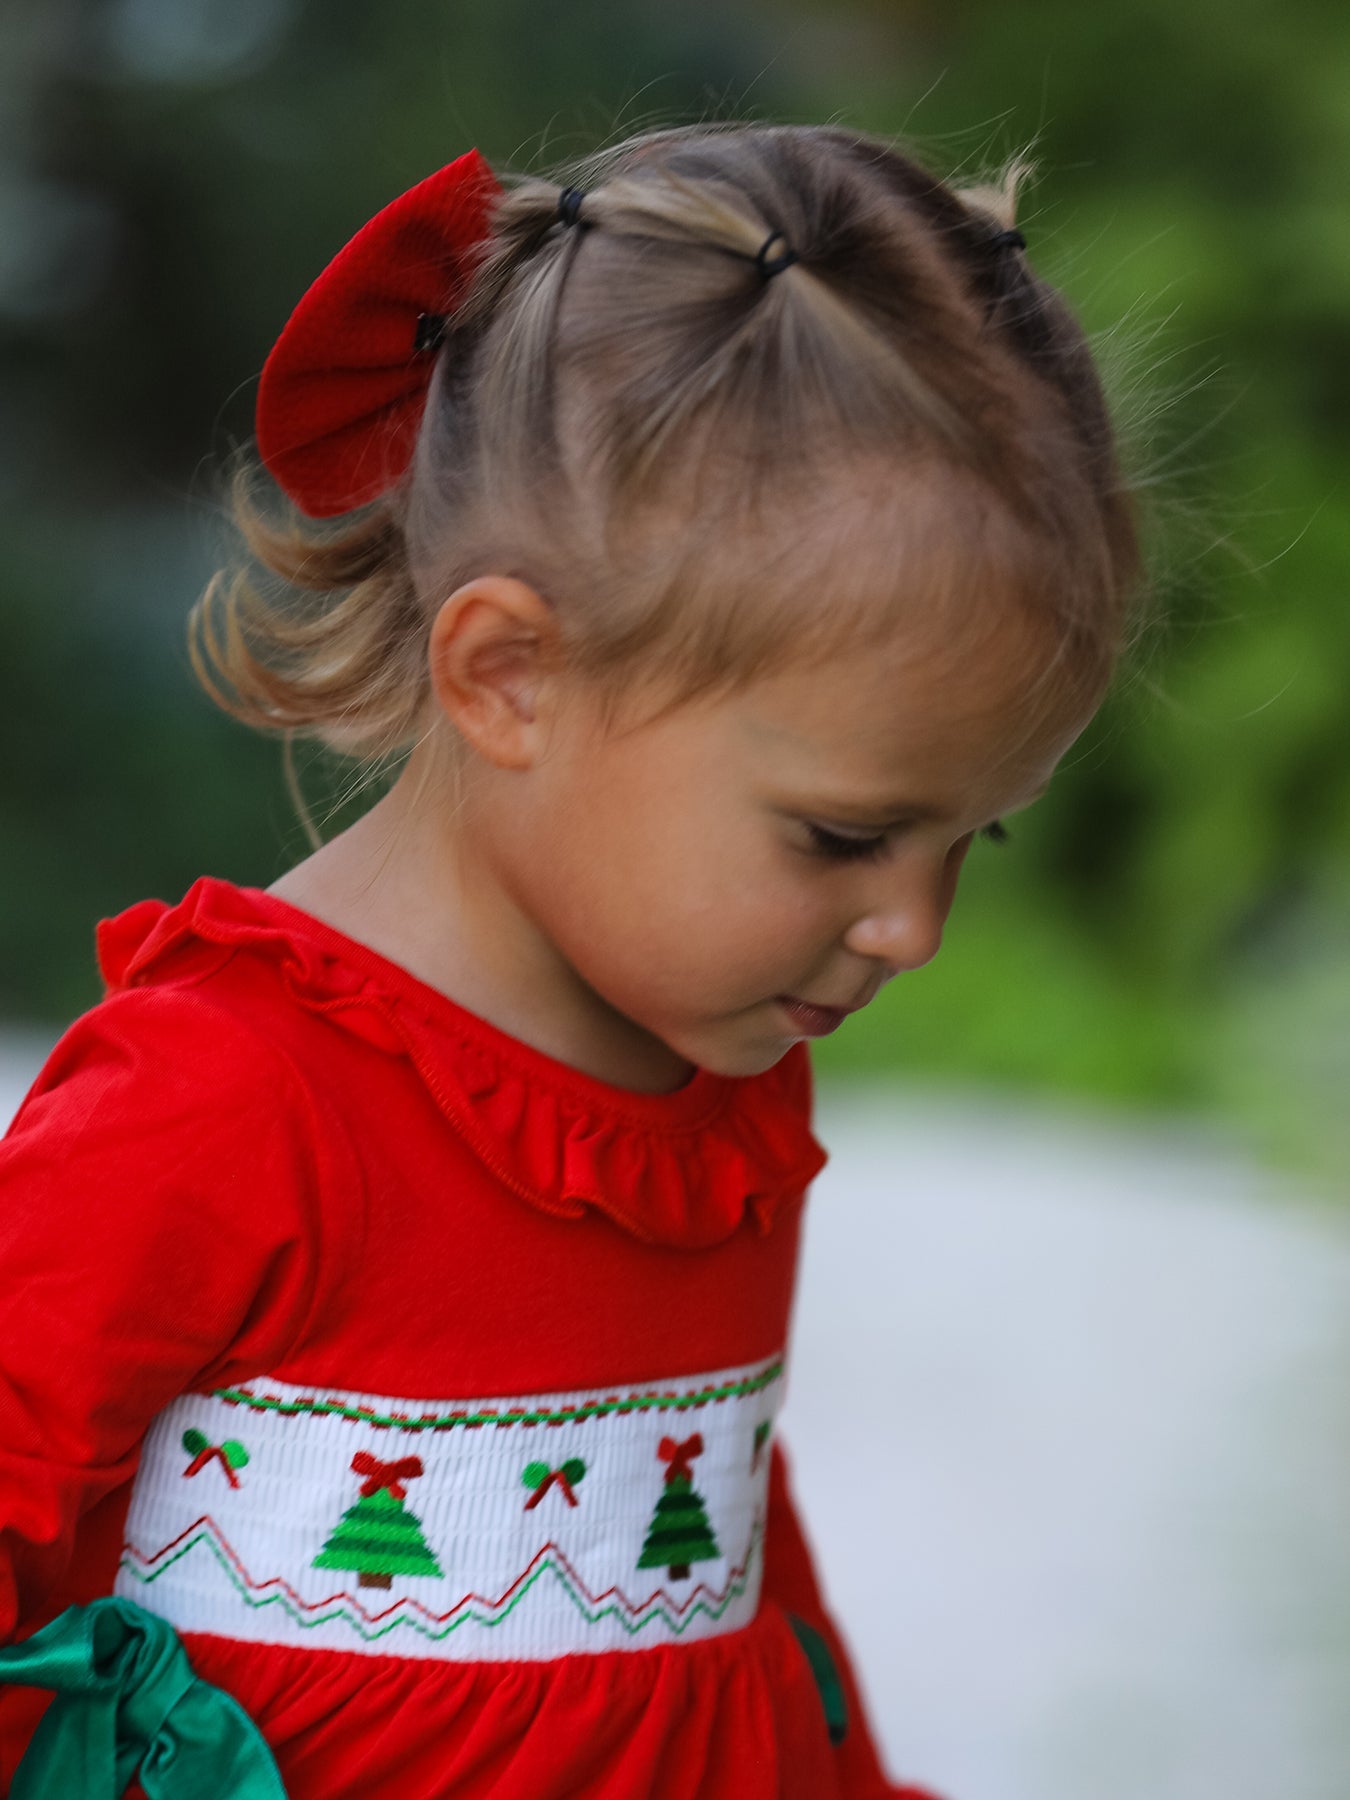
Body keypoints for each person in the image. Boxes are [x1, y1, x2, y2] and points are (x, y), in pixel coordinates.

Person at [0, 122, 1139, 1798]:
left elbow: (715, 1568)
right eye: (841, 837)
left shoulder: (717, 1078)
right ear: (510, 676)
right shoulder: (223, 1101)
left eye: (971, 838)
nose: (912, 929)